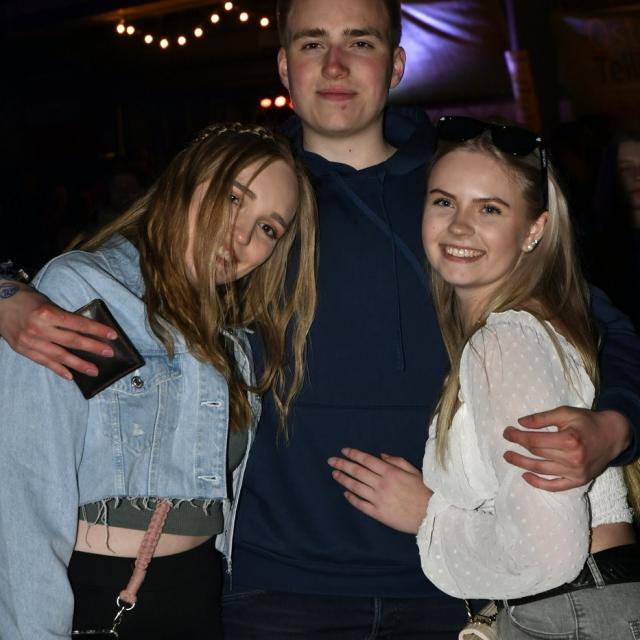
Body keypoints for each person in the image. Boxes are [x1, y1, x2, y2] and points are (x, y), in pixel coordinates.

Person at [1, 0, 640, 636]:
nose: (335, 65)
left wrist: (615, 425)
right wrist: (7, 293)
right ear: (285, 65)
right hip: (273, 587)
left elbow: (590, 318)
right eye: (312, 43)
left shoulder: (457, 192)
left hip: (447, 578)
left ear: (395, 64)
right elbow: (131, 265)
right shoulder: (250, 189)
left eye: (360, 42)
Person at [0, 123, 317, 639]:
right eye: (233, 198)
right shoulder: (82, 289)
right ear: (187, 179)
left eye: (268, 228)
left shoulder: (234, 341)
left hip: (201, 599)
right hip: (100, 599)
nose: (242, 236)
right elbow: (24, 492)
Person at [328, 117, 640, 639]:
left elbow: (547, 553)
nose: (459, 226)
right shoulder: (520, 326)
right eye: (444, 202)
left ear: (534, 229)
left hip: (573, 610)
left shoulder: (508, 339)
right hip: (584, 606)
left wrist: (427, 514)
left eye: (489, 209)